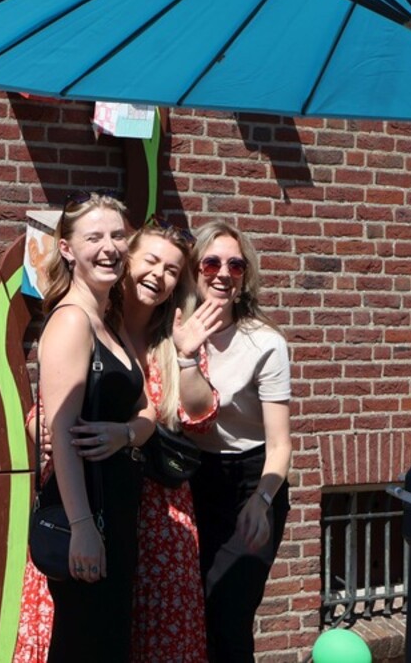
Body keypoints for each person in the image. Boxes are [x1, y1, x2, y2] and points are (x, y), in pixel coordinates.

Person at [14, 221, 223, 662]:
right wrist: (40, 429)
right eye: (151, 261)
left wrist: (186, 357)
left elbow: (201, 417)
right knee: (78, 639)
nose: (159, 275)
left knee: (153, 641)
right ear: (127, 261)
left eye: (172, 270)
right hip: (90, 502)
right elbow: (48, 409)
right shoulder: (89, 320)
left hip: (159, 516)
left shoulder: (176, 334)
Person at [33, 191, 152, 662]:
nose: (110, 247)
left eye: (118, 235)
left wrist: (125, 434)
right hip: (88, 513)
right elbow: (61, 433)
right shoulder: (71, 322)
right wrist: (82, 526)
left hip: (116, 511)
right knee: (84, 644)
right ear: (66, 249)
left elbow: (147, 412)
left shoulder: (110, 321)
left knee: (106, 644)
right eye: (94, 237)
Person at [185, 220, 293, 663]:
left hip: (252, 481)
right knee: (192, 610)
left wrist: (262, 499)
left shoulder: (264, 344)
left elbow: (280, 444)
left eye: (236, 265)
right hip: (192, 481)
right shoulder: (172, 332)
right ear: (194, 269)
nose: (223, 274)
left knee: (229, 612)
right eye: (211, 263)